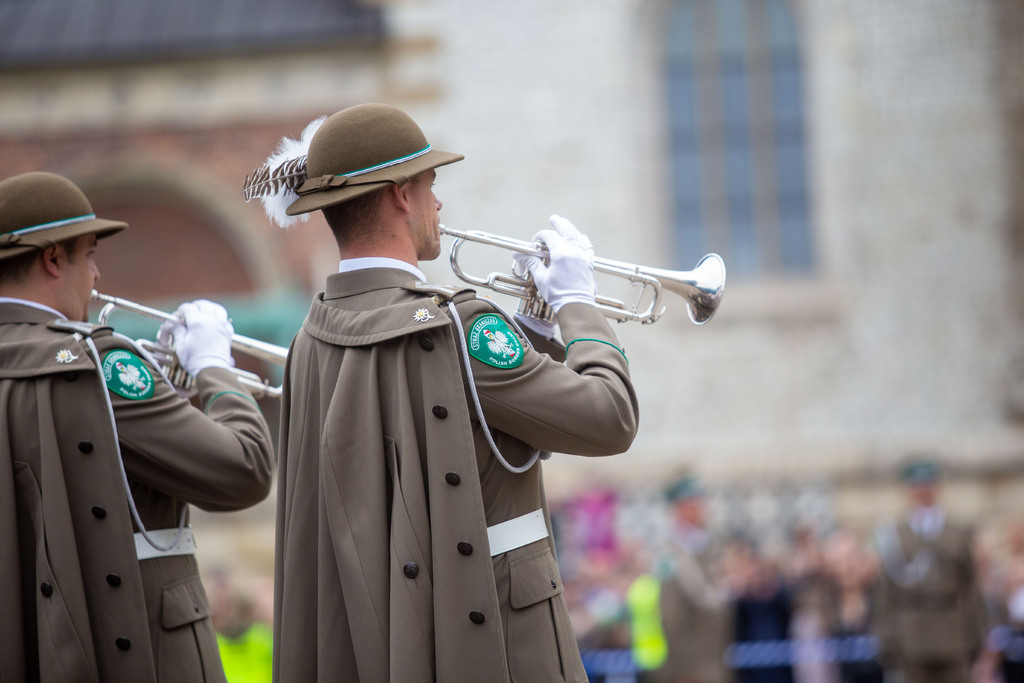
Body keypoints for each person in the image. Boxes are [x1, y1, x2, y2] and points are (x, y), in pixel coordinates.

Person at [247, 103, 639, 681]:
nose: (438, 204)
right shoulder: (455, 325)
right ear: (400, 195)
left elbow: (483, 432)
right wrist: (577, 304)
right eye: (430, 185)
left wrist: (530, 333)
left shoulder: (311, 338)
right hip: (506, 644)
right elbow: (611, 418)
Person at [0, 171, 276, 682]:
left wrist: (167, 393)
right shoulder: (99, 361)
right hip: (142, 651)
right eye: (89, 255)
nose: (98, 277)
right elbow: (245, 468)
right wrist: (213, 366)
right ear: (53, 259)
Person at [872, 458, 986, 683]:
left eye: (928, 484)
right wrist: (886, 637)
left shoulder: (957, 531)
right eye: (917, 485)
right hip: (910, 633)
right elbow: (886, 592)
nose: (923, 490)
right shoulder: (895, 534)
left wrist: (976, 635)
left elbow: (971, 586)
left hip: (952, 632)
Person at [651, 476, 734, 683]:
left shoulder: (708, 543)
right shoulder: (672, 552)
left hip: (713, 652)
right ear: (679, 508)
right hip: (689, 660)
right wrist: (683, 664)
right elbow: (670, 611)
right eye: (693, 503)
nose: (700, 509)